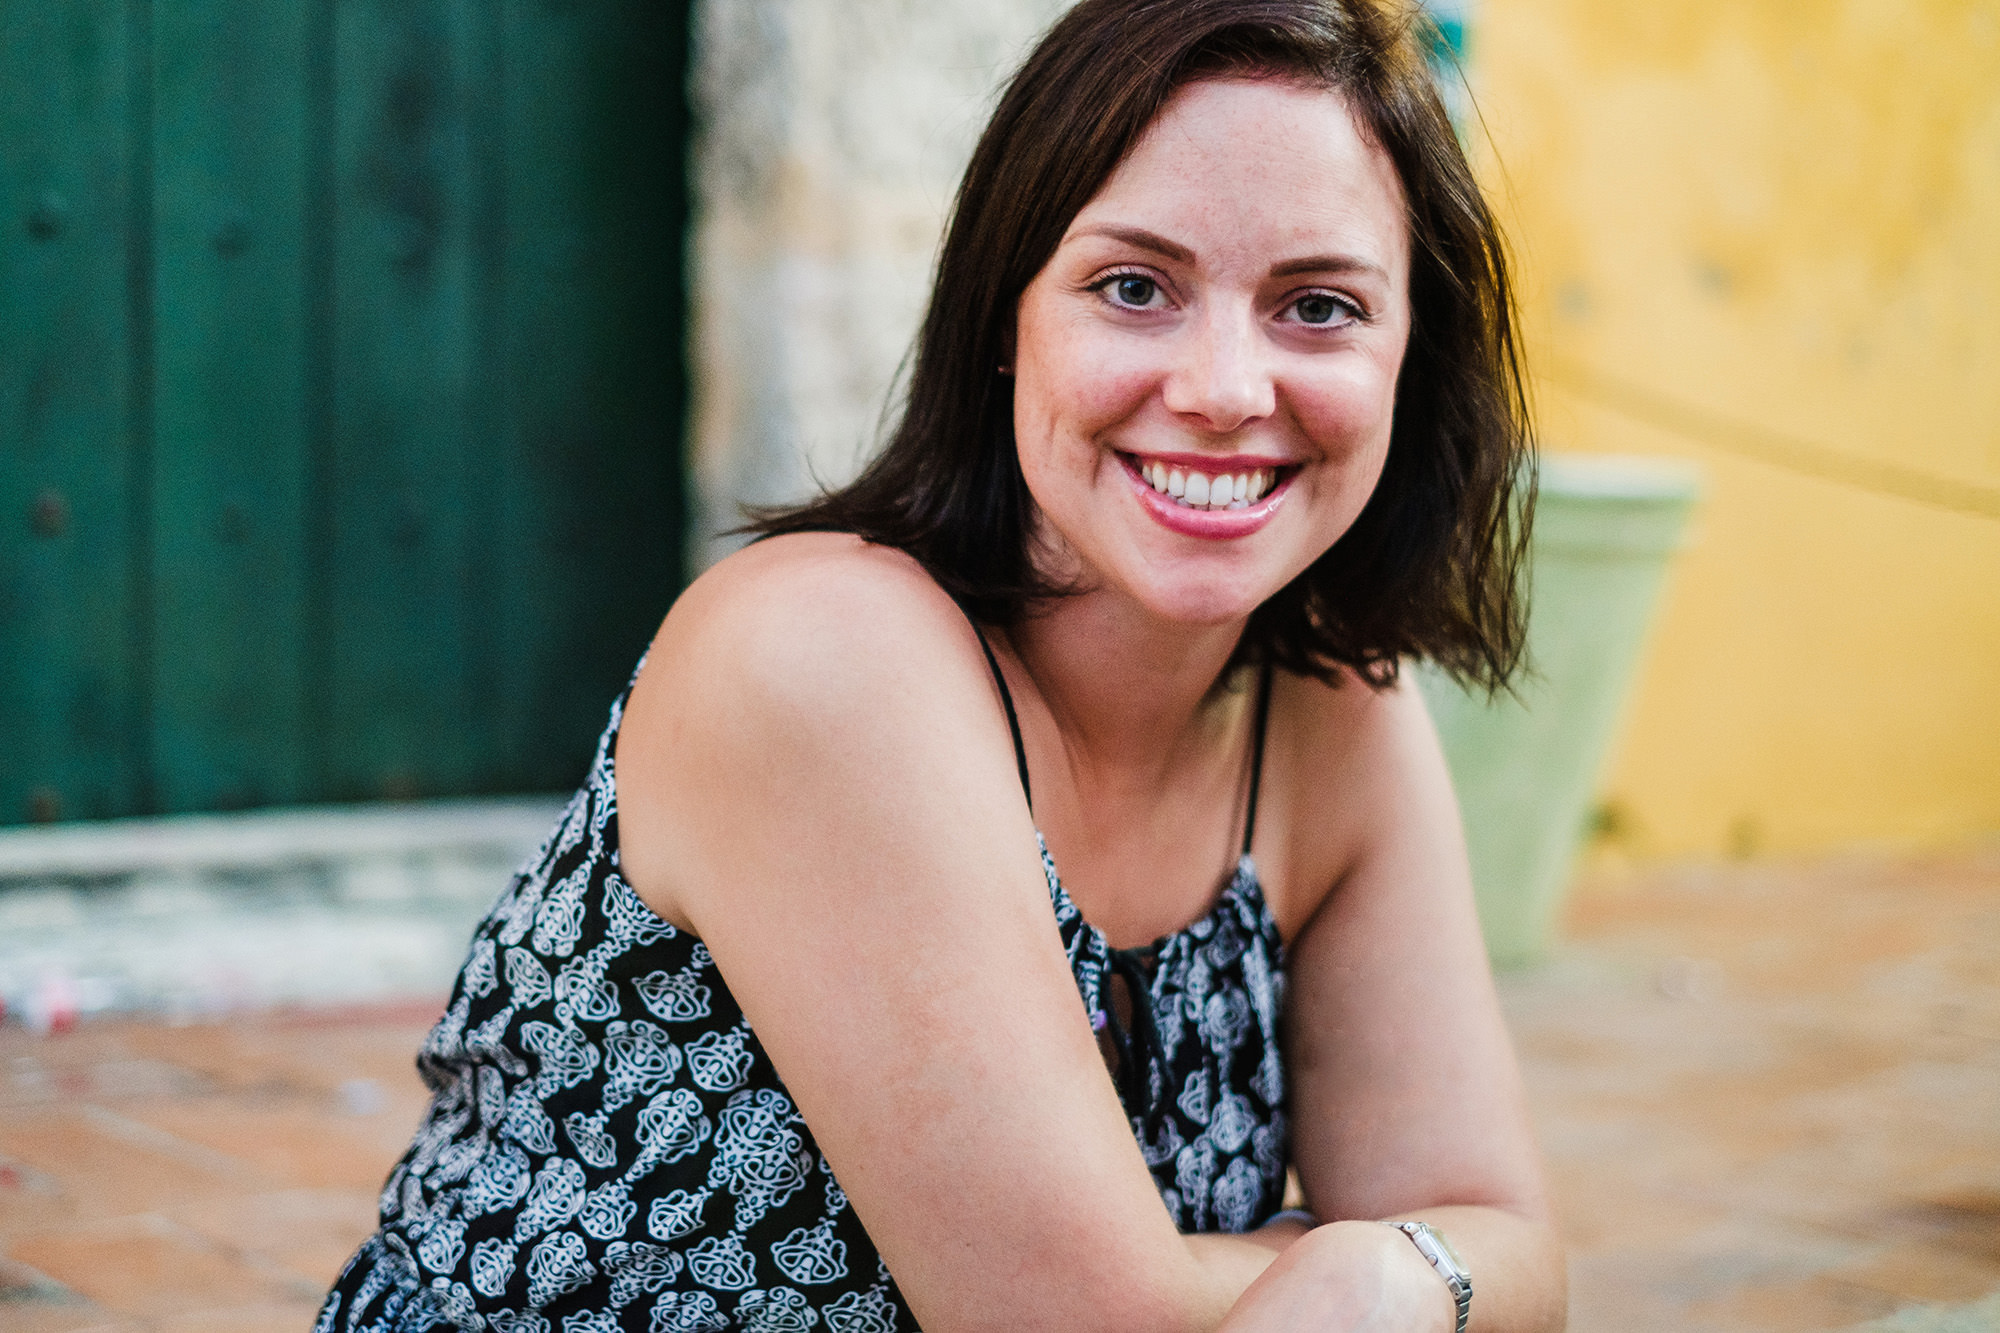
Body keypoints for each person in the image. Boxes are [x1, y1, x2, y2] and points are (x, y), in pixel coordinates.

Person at [319, 0, 1566, 1328]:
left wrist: (1389, 1271)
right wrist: (1342, 1265)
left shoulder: (1329, 710)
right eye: (1134, 287)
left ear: (1407, 359)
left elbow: (1522, 1256)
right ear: (1005, 319)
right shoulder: (825, 656)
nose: (1223, 386)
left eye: (1317, 306)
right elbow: (1082, 1323)